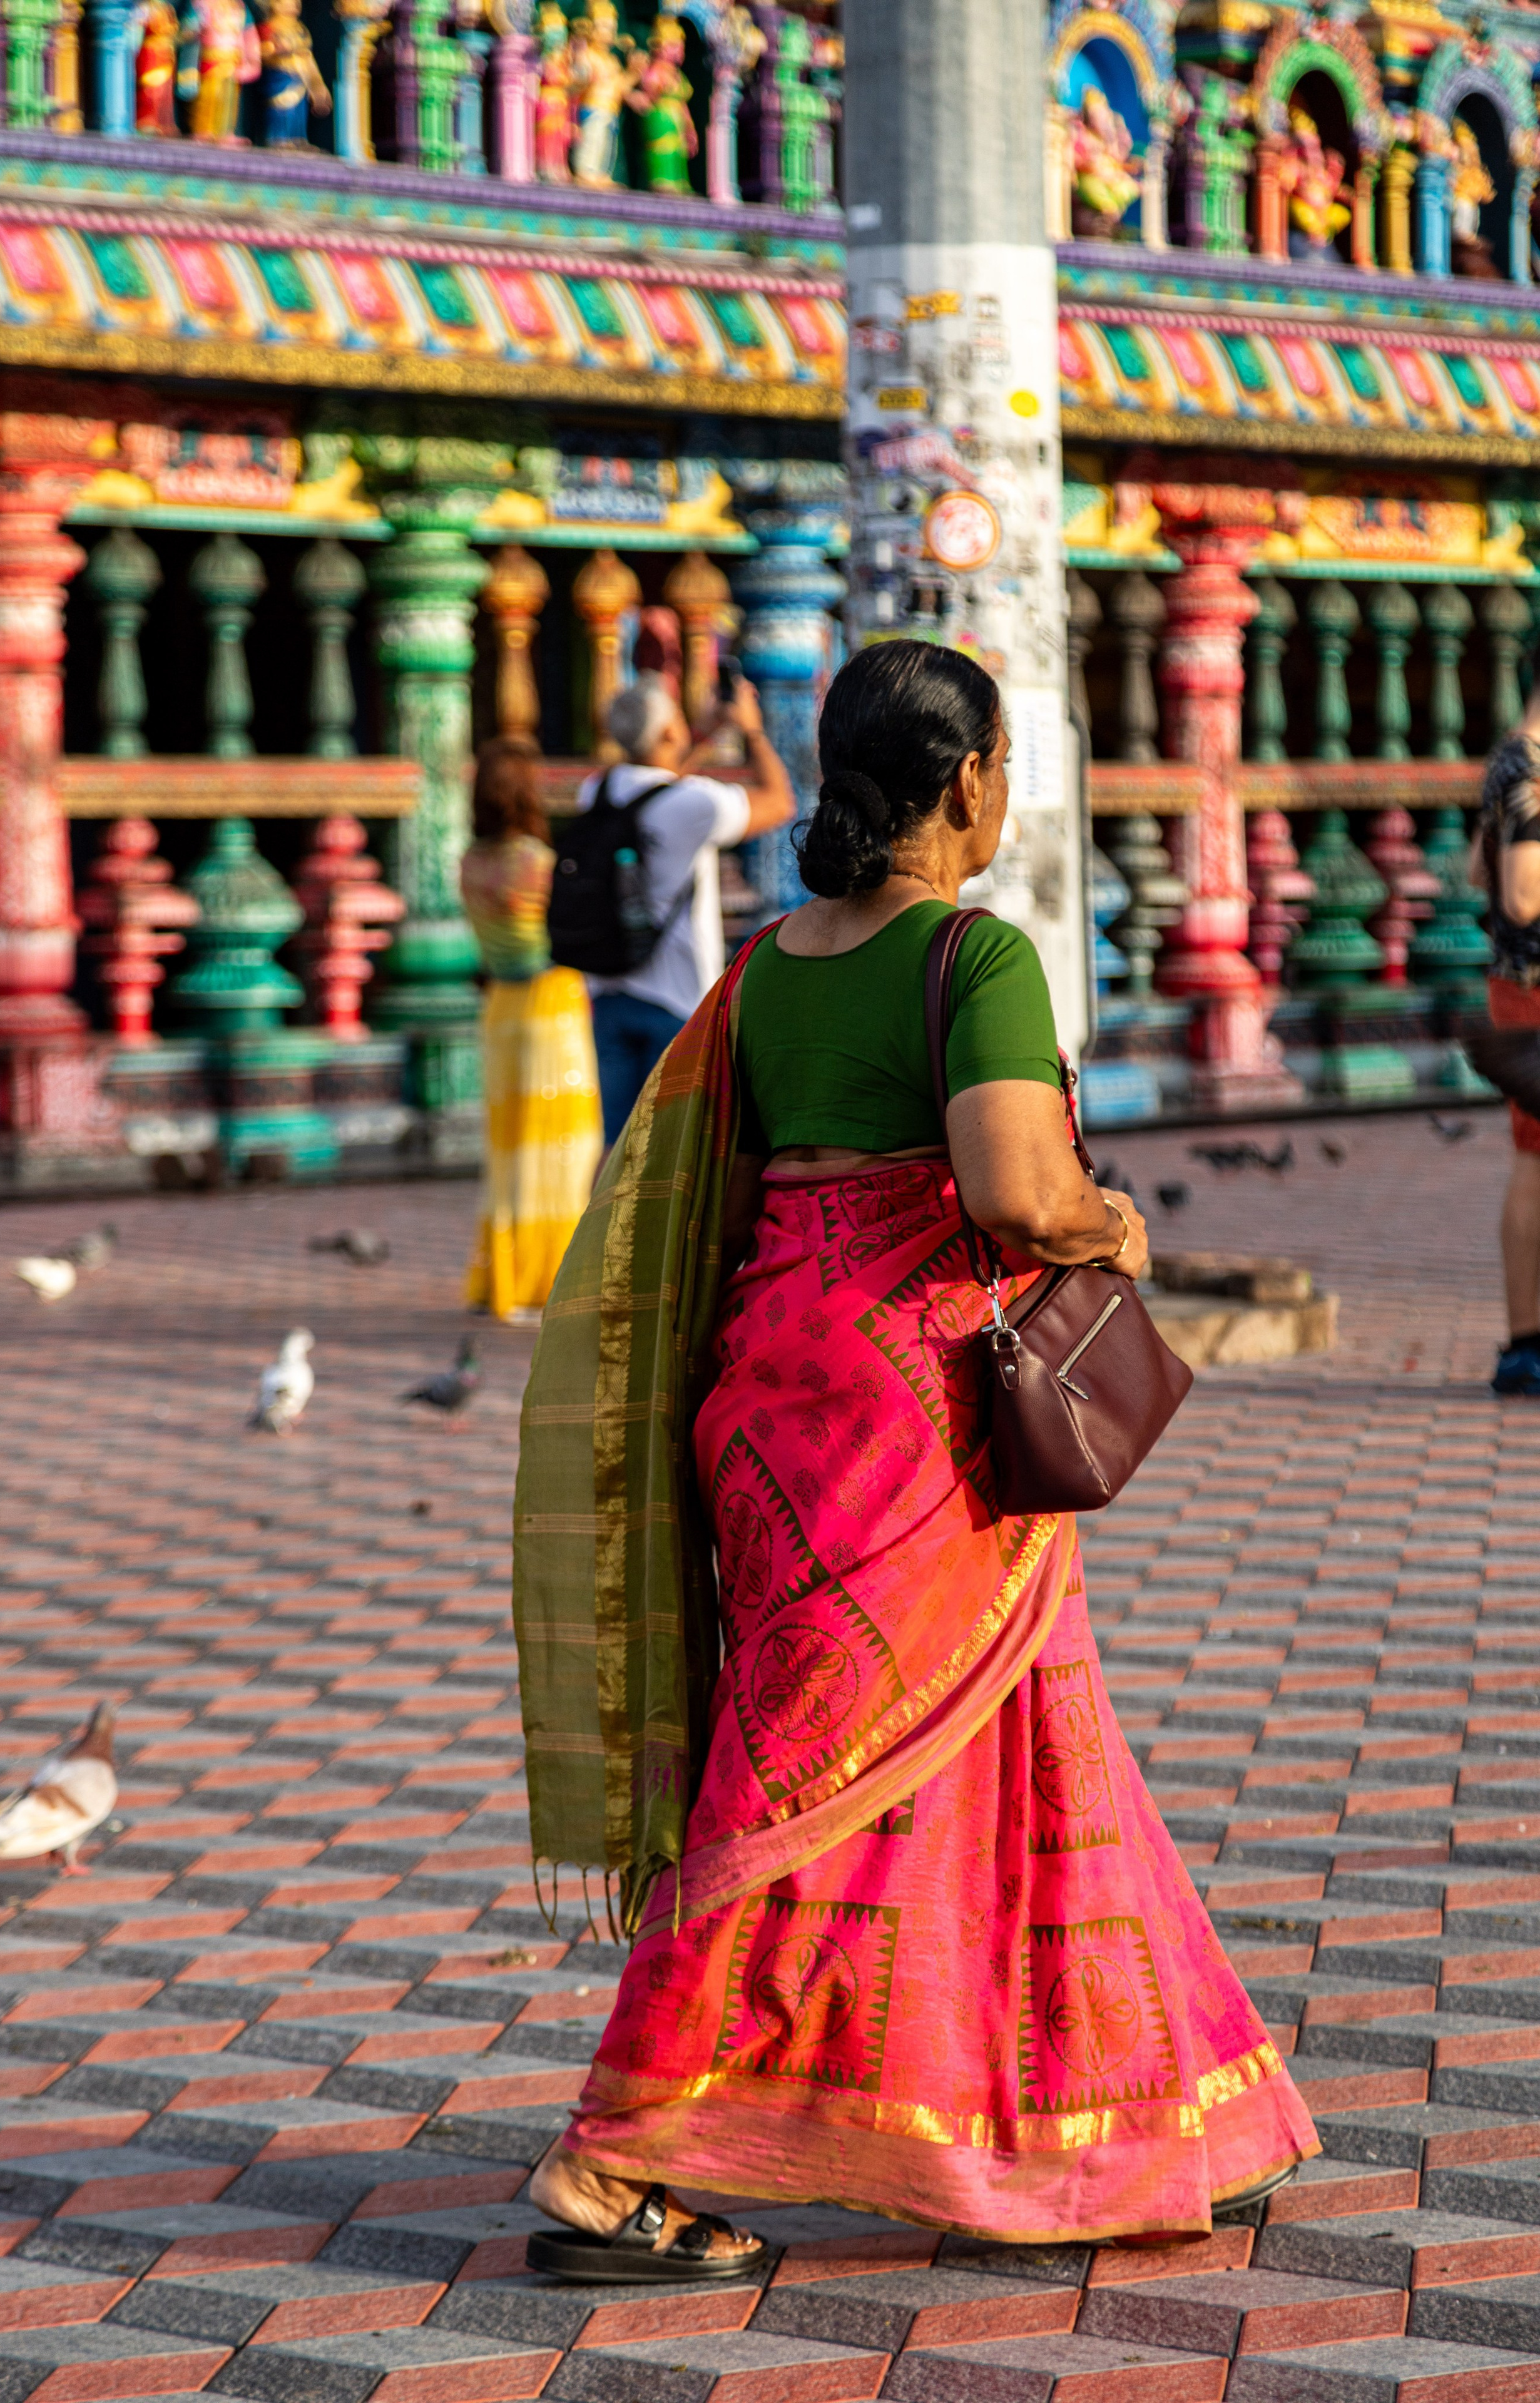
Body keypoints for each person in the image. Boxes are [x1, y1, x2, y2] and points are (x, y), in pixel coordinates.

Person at [514, 641, 1317, 2274]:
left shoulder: (765, 967)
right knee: (795, 1792)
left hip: (776, 1389)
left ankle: (1143, 2113)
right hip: (913, 1419)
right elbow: (1017, 1196)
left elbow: (734, 1201)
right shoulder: (976, 956)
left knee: (1036, 1744)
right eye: (1004, 765)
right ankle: (612, 2162)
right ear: (969, 784)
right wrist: (1116, 1224)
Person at [579, 673, 795, 1149]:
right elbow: (779, 802)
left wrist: (704, 734)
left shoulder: (595, 791)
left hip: (608, 992)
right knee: (680, 1153)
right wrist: (752, 731)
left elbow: (655, 793)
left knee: (622, 1152)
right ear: (668, 735)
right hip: (677, 1004)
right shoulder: (693, 804)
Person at [461, 736, 603, 1322]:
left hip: (500, 1008)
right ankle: (551, 1276)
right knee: (565, 1148)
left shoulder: (470, 863)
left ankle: (504, 1274)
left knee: (509, 1149)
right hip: (552, 1004)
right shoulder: (537, 863)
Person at [1472, 678, 1540, 1394]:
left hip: (1516, 984)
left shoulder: (1506, 762)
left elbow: (1475, 867)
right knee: (1534, 1160)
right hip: (1533, 987)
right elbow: (1522, 895)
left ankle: (1527, 1342)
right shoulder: (1530, 768)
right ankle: (1525, 1346)